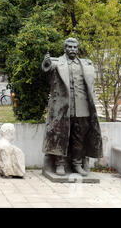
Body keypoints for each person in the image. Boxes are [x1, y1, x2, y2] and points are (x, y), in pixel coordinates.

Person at [41, 38, 103, 176]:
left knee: (79, 138)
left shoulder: (85, 64)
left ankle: (77, 164)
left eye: (75, 47)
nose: (72, 49)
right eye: (69, 47)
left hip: (82, 108)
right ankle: (60, 164)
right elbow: (47, 68)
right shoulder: (58, 63)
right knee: (61, 136)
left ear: (78, 49)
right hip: (64, 108)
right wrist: (46, 63)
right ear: (65, 48)